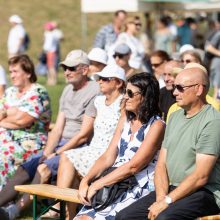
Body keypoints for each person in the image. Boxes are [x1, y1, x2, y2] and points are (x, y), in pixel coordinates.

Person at [0, 50, 100, 220]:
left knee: (42, 168)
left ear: (85, 70)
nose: (66, 71)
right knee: (24, 169)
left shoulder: (94, 90)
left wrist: (56, 153)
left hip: (78, 147)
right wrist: (47, 152)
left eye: (71, 67)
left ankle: (14, 212)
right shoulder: (68, 90)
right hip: (60, 144)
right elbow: (58, 128)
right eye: (64, 68)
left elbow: (84, 135)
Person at [116, 65, 220, 220]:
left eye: (180, 87)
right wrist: (161, 198)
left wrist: (167, 201)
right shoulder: (175, 116)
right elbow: (162, 163)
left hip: (204, 192)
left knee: (164, 218)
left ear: (198, 89)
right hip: (171, 188)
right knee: (124, 217)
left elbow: (201, 176)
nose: (174, 92)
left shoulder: (212, 121)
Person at [75, 72, 165, 219]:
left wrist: (98, 185)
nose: (125, 97)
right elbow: (108, 156)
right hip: (113, 182)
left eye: (130, 93)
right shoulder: (125, 119)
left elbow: (134, 166)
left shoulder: (157, 125)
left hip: (137, 185)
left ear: (145, 96)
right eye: (125, 92)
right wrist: (86, 180)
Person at [56, 64, 126, 219]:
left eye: (105, 79)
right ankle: (66, 212)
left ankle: (63, 211)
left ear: (119, 83)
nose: (100, 81)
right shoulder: (98, 101)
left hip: (110, 153)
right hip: (93, 149)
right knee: (67, 157)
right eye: (99, 78)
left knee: (68, 160)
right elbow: (85, 129)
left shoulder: (124, 103)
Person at [0, 54, 51, 190]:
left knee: (3, 153)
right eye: (10, 72)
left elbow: (22, 120)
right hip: (6, 136)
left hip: (31, 141)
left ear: (28, 73)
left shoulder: (39, 92)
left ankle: (3, 198)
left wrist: (6, 114)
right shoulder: (10, 92)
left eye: (16, 71)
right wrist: (11, 112)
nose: (12, 75)